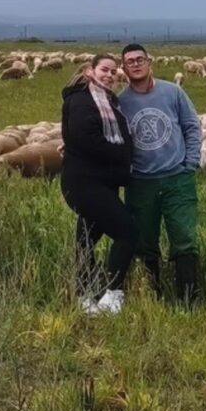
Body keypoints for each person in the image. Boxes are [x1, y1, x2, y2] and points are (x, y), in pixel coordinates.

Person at [118, 43, 203, 303]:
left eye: (139, 59)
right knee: (144, 240)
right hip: (141, 182)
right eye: (129, 61)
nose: (135, 63)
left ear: (149, 62)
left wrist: (190, 163)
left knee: (184, 237)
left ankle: (190, 299)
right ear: (124, 68)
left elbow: (191, 126)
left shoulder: (173, 92)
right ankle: (151, 296)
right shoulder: (121, 102)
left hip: (177, 178)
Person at [60, 53, 136, 315]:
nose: (110, 75)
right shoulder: (82, 98)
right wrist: (122, 156)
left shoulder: (107, 100)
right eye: (105, 69)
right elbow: (85, 139)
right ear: (91, 70)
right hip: (85, 183)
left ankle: (83, 297)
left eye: (114, 71)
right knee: (128, 232)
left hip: (99, 181)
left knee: (86, 239)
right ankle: (112, 297)